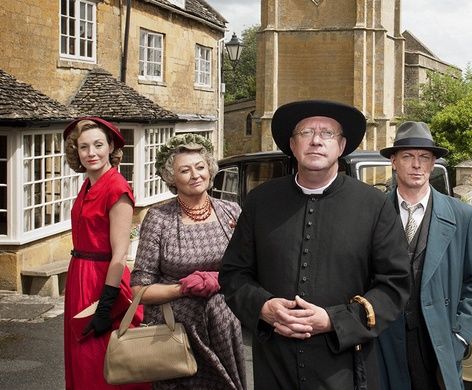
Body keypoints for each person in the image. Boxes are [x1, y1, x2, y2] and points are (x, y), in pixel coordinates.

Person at [219, 99, 411, 389]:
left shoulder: (374, 205)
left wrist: (333, 320)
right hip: (275, 364)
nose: (316, 141)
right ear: (293, 145)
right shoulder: (261, 202)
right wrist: (264, 306)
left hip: (345, 365)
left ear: (342, 146)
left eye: (327, 133)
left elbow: (395, 284)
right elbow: (234, 274)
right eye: (306, 132)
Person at [377, 121, 472, 390]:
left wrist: (461, 336)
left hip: (438, 342)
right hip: (384, 343)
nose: (416, 165)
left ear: (433, 163)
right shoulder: (373, 212)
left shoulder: (461, 216)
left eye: (424, 157)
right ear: (394, 161)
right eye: (408, 156)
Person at [130, 134, 246, 389]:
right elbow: (139, 289)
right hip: (176, 333)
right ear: (172, 177)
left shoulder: (231, 212)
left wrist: (219, 281)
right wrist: (183, 288)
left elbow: (247, 270)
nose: (195, 175)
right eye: (185, 170)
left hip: (223, 330)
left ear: (210, 170)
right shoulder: (158, 218)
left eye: (200, 167)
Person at [62, 117, 148, 389]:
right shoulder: (88, 184)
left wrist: (106, 306)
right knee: (81, 359)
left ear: (111, 146)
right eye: (84, 147)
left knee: (103, 363)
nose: (91, 153)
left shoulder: (117, 187)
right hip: (80, 278)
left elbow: (120, 255)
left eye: (98, 145)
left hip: (103, 282)